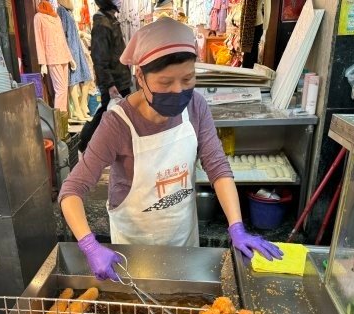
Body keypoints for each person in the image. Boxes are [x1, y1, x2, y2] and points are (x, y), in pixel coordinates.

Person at [59, 18, 282, 281]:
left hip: (184, 242)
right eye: (165, 83)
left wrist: (236, 226)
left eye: (188, 78)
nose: (178, 90)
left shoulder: (196, 106)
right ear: (140, 76)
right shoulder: (117, 124)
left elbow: (217, 168)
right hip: (133, 250)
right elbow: (71, 190)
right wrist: (89, 245)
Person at [78, 0, 131, 151]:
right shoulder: (102, 23)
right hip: (114, 80)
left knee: (114, 111)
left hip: (120, 76)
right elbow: (99, 58)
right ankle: (85, 142)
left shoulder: (110, 19)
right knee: (106, 112)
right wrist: (109, 84)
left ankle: (106, 144)